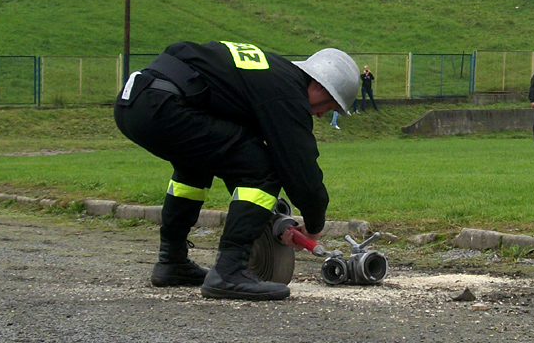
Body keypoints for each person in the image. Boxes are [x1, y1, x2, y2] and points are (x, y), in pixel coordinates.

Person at [113, 41, 359, 301]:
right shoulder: (287, 92)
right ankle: (229, 272)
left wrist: (265, 213)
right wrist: (314, 223)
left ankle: (172, 261)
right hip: (163, 104)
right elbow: (300, 166)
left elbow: (237, 153)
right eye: (330, 106)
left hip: (137, 102)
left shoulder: (270, 74)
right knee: (262, 169)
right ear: (320, 86)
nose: (322, 115)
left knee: (196, 167)